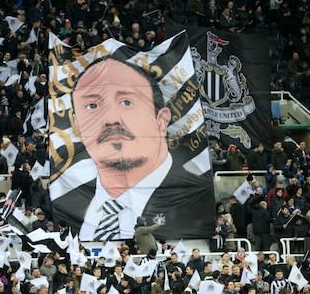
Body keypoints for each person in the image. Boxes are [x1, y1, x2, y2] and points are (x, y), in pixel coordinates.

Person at [52, 57, 214, 241]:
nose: (111, 119)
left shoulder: (199, 201)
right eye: (93, 106)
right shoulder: (63, 204)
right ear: (77, 124)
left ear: (161, 120)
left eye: (127, 102)